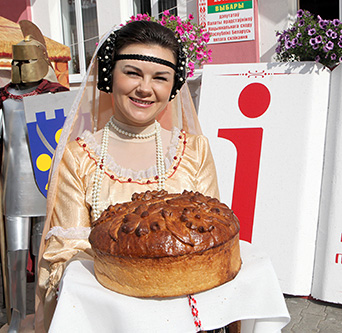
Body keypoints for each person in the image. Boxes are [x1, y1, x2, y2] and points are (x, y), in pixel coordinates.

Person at [35, 20, 220, 332]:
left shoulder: (194, 151)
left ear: (173, 86)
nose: (145, 88)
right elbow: (69, 251)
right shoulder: (78, 158)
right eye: (132, 73)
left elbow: (210, 235)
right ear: (109, 76)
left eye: (160, 78)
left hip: (186, 314)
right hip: (107, 315)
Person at [0, 31, 68, 332]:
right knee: (14, 258)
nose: (22, 65)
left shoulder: (55, 96)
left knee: (46, 257)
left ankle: (45, 316)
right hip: (14, 187)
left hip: (45, 186)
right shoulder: (3, 100)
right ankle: (15, 317)